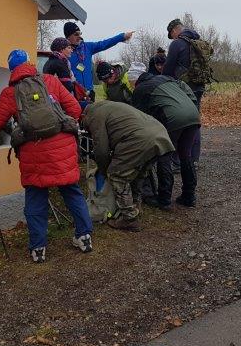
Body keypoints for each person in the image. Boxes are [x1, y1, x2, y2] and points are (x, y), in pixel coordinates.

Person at [0, 49, 93, 263]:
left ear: (11, 70)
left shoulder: (10, 93)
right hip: (63, 148)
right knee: (72, 192)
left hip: (34, 153)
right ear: (30, 64)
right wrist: (60, 128)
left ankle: (38, 248)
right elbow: (74, 109)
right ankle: (84, 237)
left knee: (36, 199)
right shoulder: (51, 81)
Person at [80, 100, 174, 231]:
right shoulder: (109, 106)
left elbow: (101, 150)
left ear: (83, 115)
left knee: (117, 175)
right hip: (159, 133)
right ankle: (135, 207)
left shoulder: (94, 116)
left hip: (140, 139)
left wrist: (104, 170)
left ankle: (129, 219)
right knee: (138, 174)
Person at [131, 72, 201, 209]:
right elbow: (189, 91)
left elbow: (139, 117)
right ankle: (189, 195)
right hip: (193, 115)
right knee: (186, 156)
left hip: (173, 119)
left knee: (164, 156)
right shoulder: (167, 78)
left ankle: (164, 199)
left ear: (137, 82)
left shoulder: (141, 89)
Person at [163, 19, 211, 163]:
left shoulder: (177, 43)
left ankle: (179, 160)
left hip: (183, 89)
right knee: (194, 121)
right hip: (199, 86)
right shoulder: (199, 42)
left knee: (181, 122)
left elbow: (167, 69)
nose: (173, 38)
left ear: (174, 31)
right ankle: (194, 159)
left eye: (172, 35)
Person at [64, 22, 134, 97]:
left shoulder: (88, 47)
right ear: (68, 37)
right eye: (76, 34)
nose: (79, 36)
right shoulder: (64, 51)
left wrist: (122, 37)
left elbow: (104, 43)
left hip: (89, 92)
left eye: (80, 33)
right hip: (74, 93)